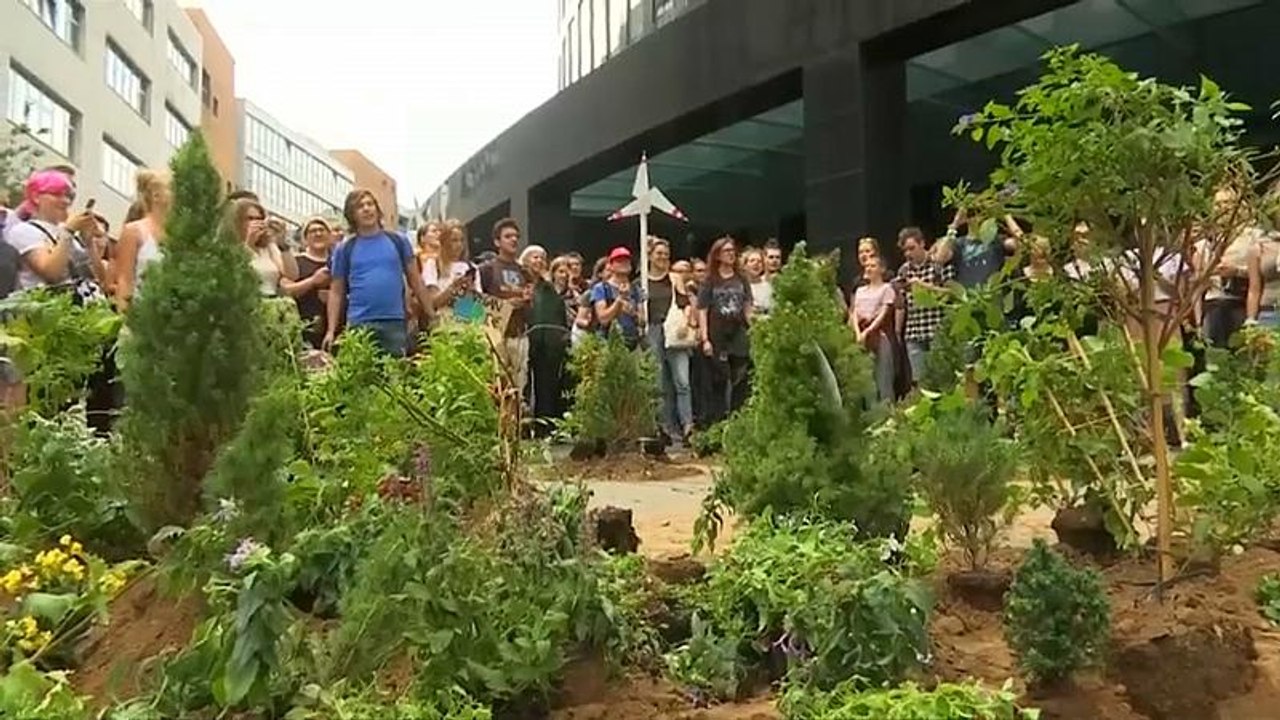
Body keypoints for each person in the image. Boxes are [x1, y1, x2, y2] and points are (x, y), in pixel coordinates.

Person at [324, 189, 434, 356]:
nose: (367, 209)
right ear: (351, 215)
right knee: (362, 377)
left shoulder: (398, 241)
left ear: (377, 209)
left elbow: (416, 281)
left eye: (370, 204)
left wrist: (431, 315)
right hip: (359, 323)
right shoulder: (345, 249)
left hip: (394, 322)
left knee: (396, 376)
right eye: (360, 206)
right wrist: (331, 330)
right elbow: (336, 291)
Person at [698, 236, 753, 423]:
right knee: (718, 381)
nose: (731, 254)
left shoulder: (742, 279)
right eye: (726, 251)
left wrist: (755, 329)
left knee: (740, 378)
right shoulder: (710, 280)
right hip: (717, 333)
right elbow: (702, 310)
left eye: (732, 251)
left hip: (738, 332)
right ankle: (717, 422)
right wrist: (705, 339)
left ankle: (737, 420)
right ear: (718, 255)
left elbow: (747, 308)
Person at [479, 218, 534, 393]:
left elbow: (532, 305)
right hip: (496, 335)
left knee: (519, 387)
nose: (514, 239)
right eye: (508, 236)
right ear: (497, 242)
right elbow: (474, 305)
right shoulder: (486, 270)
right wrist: (505, 305)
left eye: (516, 236)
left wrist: (528, 300)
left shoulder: (524, 271)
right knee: (498, 387)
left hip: (519, 335)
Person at [113, 169, 171, 312]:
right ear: (156, 196)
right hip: (142, 313)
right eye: (173, 189)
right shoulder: (134, 231)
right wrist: (124, 316)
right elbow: (125, 280)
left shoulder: (179, 233)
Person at [282, 217, 333, 349]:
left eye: (322, 230)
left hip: (336, 329)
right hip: (304, 328)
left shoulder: (339, 261)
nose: (318, 234)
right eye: (313, 231)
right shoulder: (295, 262)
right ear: (305, 238)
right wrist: (312, 281)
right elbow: (285, 291)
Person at [590, 246, 644, 348]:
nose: (624, 263)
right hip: (607, 342)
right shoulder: (601, 288)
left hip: (631, 341)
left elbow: (643, 321)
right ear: (611, 266)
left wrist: (633, 313)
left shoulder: (636, 289)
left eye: (626, 261)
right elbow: (603, 319)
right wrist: (619, 301)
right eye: (619, 261)